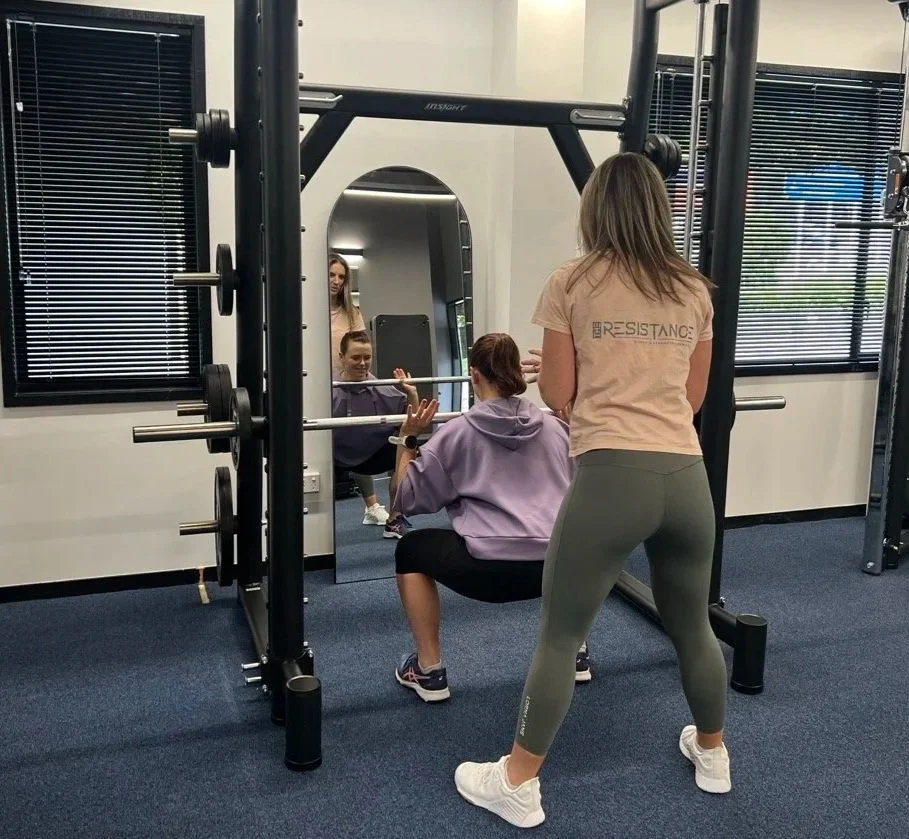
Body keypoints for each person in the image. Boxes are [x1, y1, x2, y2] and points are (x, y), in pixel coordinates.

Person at [454, 152, 729, 829]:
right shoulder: (692, 288)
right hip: (686, 479)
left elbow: (556, 394)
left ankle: (517, 779)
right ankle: (714, 753)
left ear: (594, 209)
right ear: (659, 210)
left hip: (611, 477)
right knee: (690, 622)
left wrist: (588, 395)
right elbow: (691, 397)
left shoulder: (571, 281)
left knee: (559, 633)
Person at [387, 333, 589, 704]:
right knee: (570, 537)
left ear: (474, 376)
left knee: (411, 548)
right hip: (557, 571)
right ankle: (573, 651)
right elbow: (586, 488)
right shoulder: (557, 429)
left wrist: (407, 440)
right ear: (517, 373)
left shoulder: (455, 434)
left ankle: (429, 671)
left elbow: (404, 500)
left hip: (485, 574)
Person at [333, 330, 419, 539]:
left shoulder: (382, 390)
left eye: (367, 357)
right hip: (335, 456)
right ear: (341, 356)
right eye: (356, 357)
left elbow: (413, 423)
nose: (362, 363)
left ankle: (394, 520)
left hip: (371, 455)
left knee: (407, 445)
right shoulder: (328, 390)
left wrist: (412, 393)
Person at [329, 254, 366, 376]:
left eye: (341, 277)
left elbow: (362, 350)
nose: (336, 281)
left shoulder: (352, 313)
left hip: (345, 380)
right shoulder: (306, 312)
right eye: (331, 275)